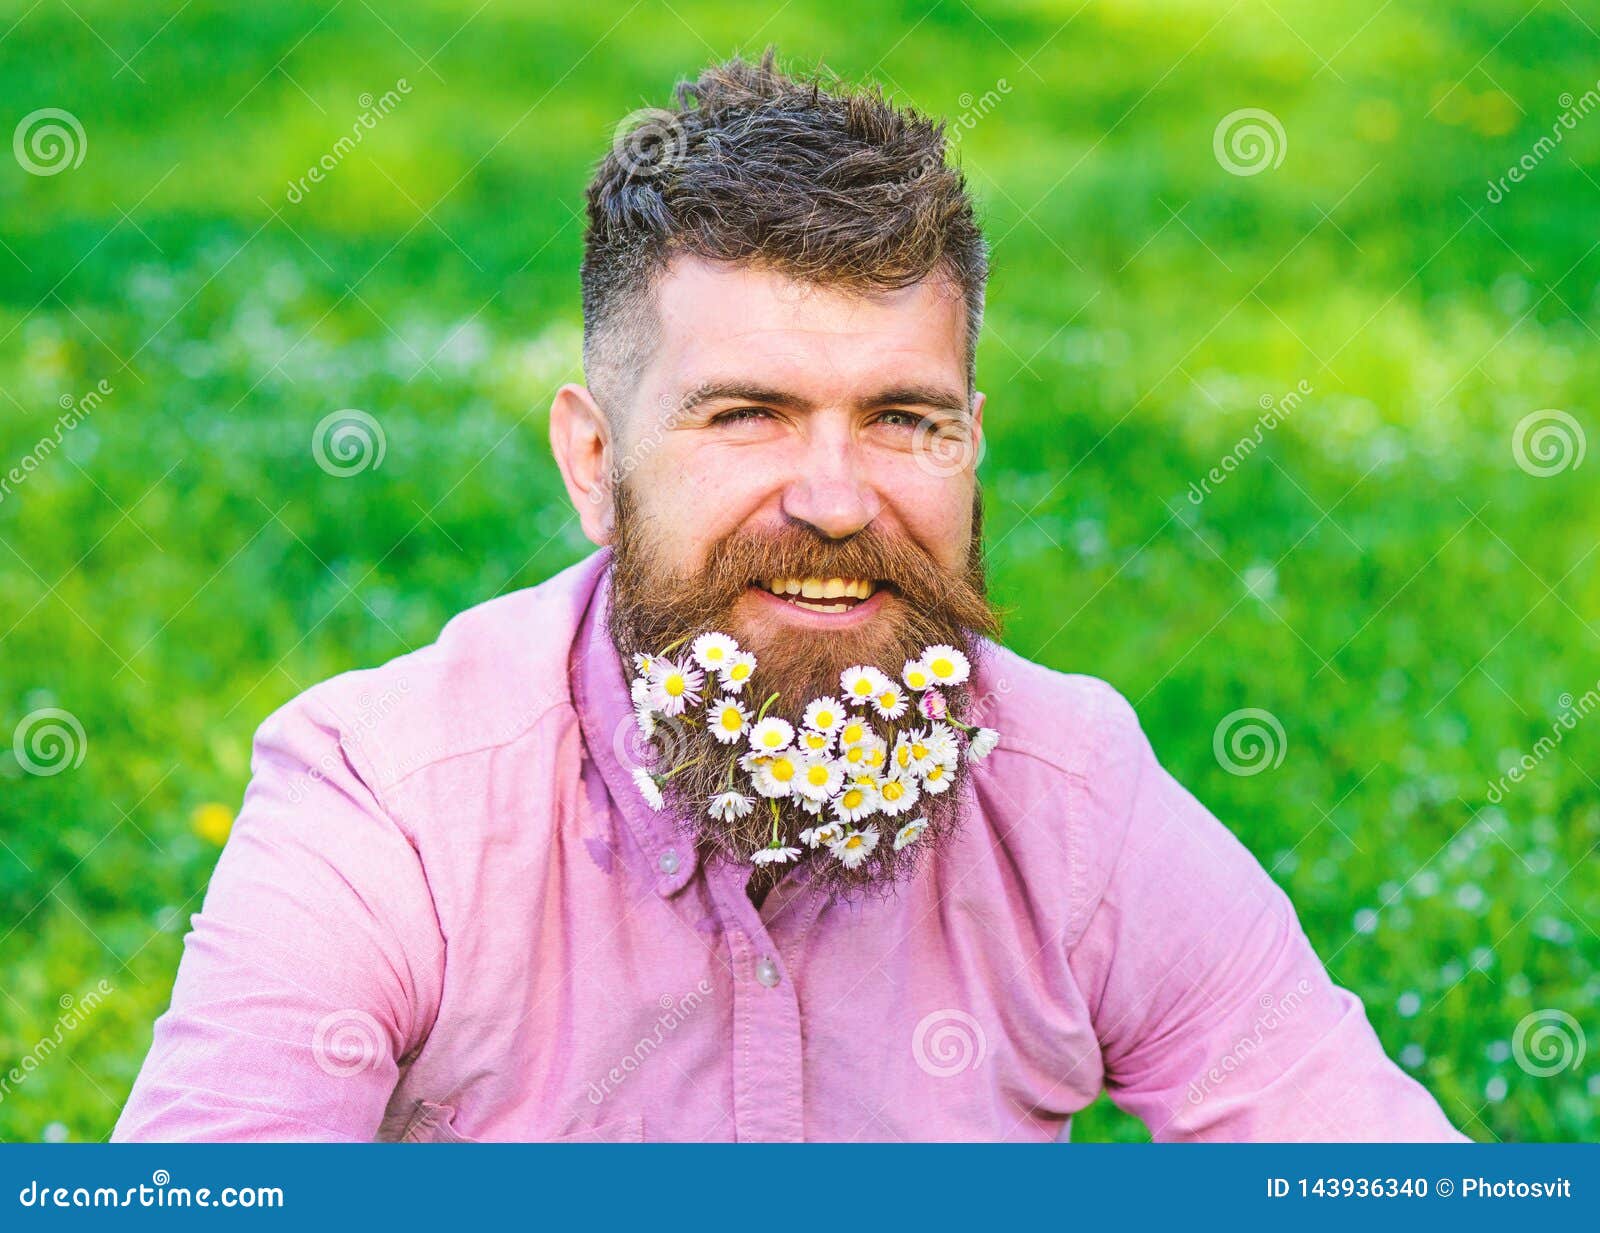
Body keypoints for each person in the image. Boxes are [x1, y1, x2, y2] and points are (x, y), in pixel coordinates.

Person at [115, 48, 1465, 1143]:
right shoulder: (387, 807)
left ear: (971, 443)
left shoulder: (1072, 798)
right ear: (595, 462)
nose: (834, 497)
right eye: (748, 413)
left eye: (902, 419)